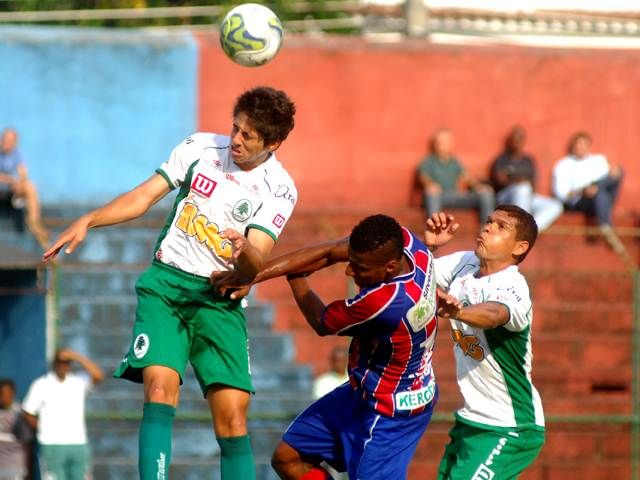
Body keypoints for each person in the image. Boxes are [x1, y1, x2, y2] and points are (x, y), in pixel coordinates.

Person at [42, 86, 298, 480]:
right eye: (235, 128)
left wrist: (244, 248)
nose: (235, 140)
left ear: (275, 142)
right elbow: (145, 195)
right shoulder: (199, 148)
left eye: (248, 136)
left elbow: (257, 258)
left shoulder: (280, 188)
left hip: (219, 300)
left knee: (232, 420)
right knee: (159, 391)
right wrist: (88, 219)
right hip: (166, 287)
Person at [213, 214, 440, 480]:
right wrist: (249, 277)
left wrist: (295, 278)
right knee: (289, 459)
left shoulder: (386, 303)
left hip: (390, 413)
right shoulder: (408, 243)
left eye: (360, 268)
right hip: (365, 389)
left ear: (389, 267)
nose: (349, 271)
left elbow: (322, 322)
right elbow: (332, 251)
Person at [424, 206, 545, 479]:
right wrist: (427, 249)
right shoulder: (465, 264)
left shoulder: (513, 287)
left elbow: (494, 314)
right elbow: (413, 276)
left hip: (511, 425)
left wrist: (459, 312)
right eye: (489, 221)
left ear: (519, 247)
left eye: (501, 227)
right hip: (472, 420)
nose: (488, 227)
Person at [21, 349, 104, 480]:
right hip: (52, 444)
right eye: (60, 361)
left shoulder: (78, 382)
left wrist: (76, 356)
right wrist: (42, 428)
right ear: (54, 363)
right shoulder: (41, 384)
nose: (63, 365)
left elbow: (98, 375)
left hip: (78, 443)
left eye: (66, 362)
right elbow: (28, 412)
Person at [552, 131, 632, 263]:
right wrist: (583, 191)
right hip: (579, 200)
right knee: (600, 194)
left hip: (601, 195)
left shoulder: (598, 160)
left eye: (584, 144)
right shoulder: (563, 165)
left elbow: (611, 178)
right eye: (578, 144)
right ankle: (606, 227)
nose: (581, 147)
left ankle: (605, 226)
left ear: (589, 146)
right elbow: (561, 194)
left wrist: (599, 184)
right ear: (573, 146)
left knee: (617, 174)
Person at [490, 126, 562, 231]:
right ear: (510, 141)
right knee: (522, 188)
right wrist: (518, 182)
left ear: (523, 141)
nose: (517, 141)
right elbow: (500, 181)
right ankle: (519, 229)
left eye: (520, 139)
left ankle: (530, 230)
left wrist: (523, 184)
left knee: (556, 205)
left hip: (527, 195)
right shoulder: (502, 159)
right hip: (506, 197)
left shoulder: (528, 160)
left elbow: (533, 183)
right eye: (514, 139)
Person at [417, 128, 494, 223]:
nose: (441, 144)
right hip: (439, 197)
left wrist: (478, 187)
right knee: (432, 194)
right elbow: (423, 177)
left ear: (451, 144)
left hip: (455, 196)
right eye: (439, 141)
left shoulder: (455, 162)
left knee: (486, 194)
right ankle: (434, 231)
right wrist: (430, 185)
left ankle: (487, 230)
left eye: (445, 141)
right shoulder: (428, 161)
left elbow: (467, 177)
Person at [0, 127, 49, 248]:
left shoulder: (17, 154)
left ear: (15, 142)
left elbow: (23, 174)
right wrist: (10, 179)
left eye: (10, 140)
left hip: (10, 191)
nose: (6, 142)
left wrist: (19, 183)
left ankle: (34, 221)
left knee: (30, 187)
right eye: (4, 139)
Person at [0, 379, 33, 480]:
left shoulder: (20, 413)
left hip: (16, 467)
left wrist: (28, 471)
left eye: (8, 393)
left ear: (13, 393)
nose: (5, 397)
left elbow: (27, 444)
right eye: (2, 393)